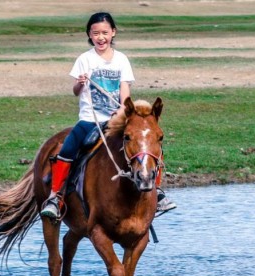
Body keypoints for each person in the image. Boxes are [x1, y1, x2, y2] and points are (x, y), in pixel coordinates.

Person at [41, 12, 175, 220]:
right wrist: (80, 82)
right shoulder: (84, 59)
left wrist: (122, 111)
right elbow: (76, 91)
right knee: (68, 148)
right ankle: (55, 198)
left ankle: (156, 192)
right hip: (89, 119)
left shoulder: (121, 60)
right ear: (89, 35)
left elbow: (125, 94)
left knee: (148, 145)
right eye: (96, 33)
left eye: (105, 32)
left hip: (115, 119)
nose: (100, 37)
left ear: (113, 32)